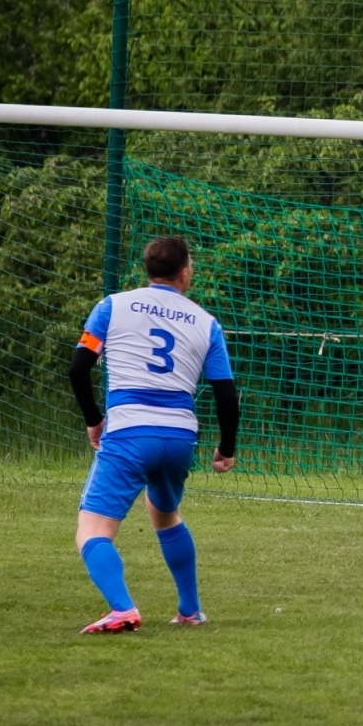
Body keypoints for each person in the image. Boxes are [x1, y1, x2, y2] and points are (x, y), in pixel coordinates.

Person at [70, 235, 239, 635]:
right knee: (164, 514)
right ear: (185, 273)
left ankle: (123, 608)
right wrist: (226, 449)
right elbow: (226, 393)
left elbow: (78, 369)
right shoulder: (206, 322)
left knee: (92, 530)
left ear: (148, 270)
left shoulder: (112, 306)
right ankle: (190, 610)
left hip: (130, 430)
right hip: (180, 437)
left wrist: (95, 419)